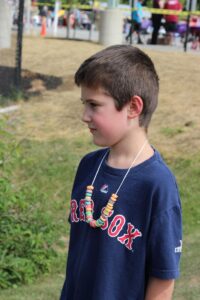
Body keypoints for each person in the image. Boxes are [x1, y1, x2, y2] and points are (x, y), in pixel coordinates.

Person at [60, 45, 182, 300]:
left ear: (133, 107)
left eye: (94, 105)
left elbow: (163, 277)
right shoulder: (88, 167)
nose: (85, 116)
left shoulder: (157, 183)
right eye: (84, 104)